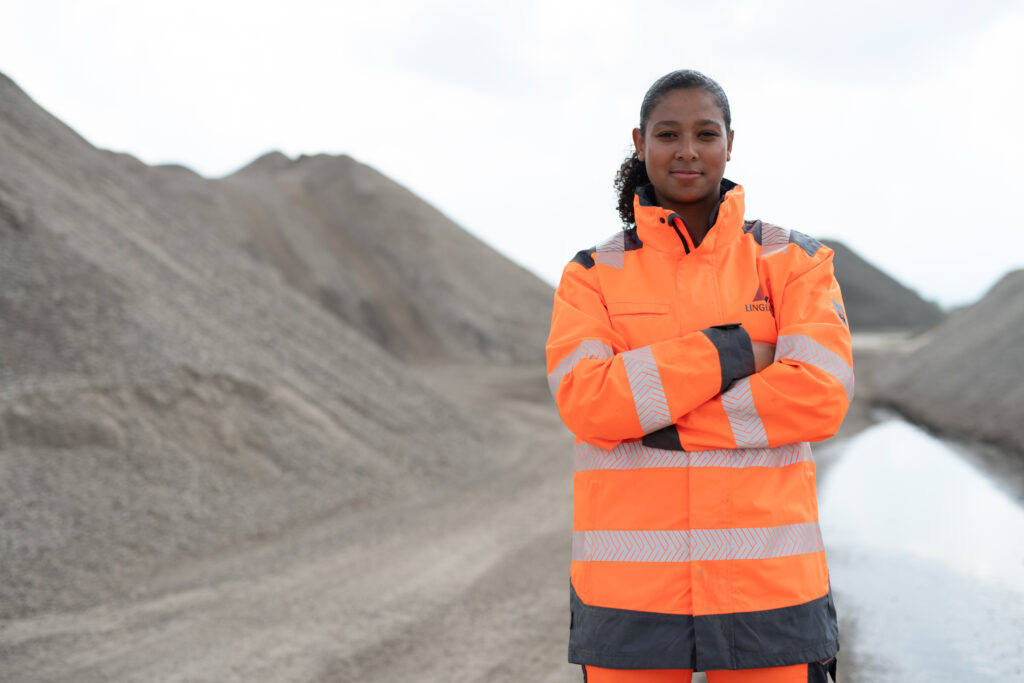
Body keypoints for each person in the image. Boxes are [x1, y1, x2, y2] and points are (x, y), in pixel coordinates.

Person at [545, 70, 852, 683]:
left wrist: (659, 420)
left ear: (730, 143)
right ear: (640, 142)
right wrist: (733, 352)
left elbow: (820, 396)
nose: (688, 150)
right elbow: (589, 403)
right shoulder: (592, 275)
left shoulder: (792, 261)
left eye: (705, 133)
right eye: (668, 134)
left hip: (770, 594)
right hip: (631, 601)